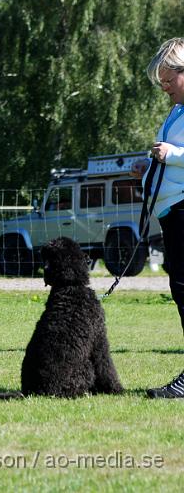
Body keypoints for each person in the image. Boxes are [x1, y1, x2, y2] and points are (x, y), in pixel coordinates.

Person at [135, 38, 184, 398]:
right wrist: (149, 165)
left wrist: (174, 153)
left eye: (169, 80)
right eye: (161, 82)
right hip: (171, 212)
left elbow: (177, 155)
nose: (164, 87)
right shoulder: (176, 112)